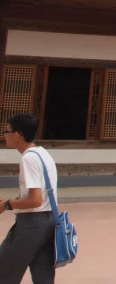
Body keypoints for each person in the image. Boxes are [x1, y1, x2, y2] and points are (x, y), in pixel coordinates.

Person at [0, 113, 57, 284]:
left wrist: (7, 204)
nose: (4, 135)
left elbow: (35, 200)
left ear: (17, 135)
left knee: (4, 271)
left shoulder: (28, 158)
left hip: (32, 223)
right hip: (48, 222)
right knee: (43, 277)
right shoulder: (42, 154)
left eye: (6, 131)